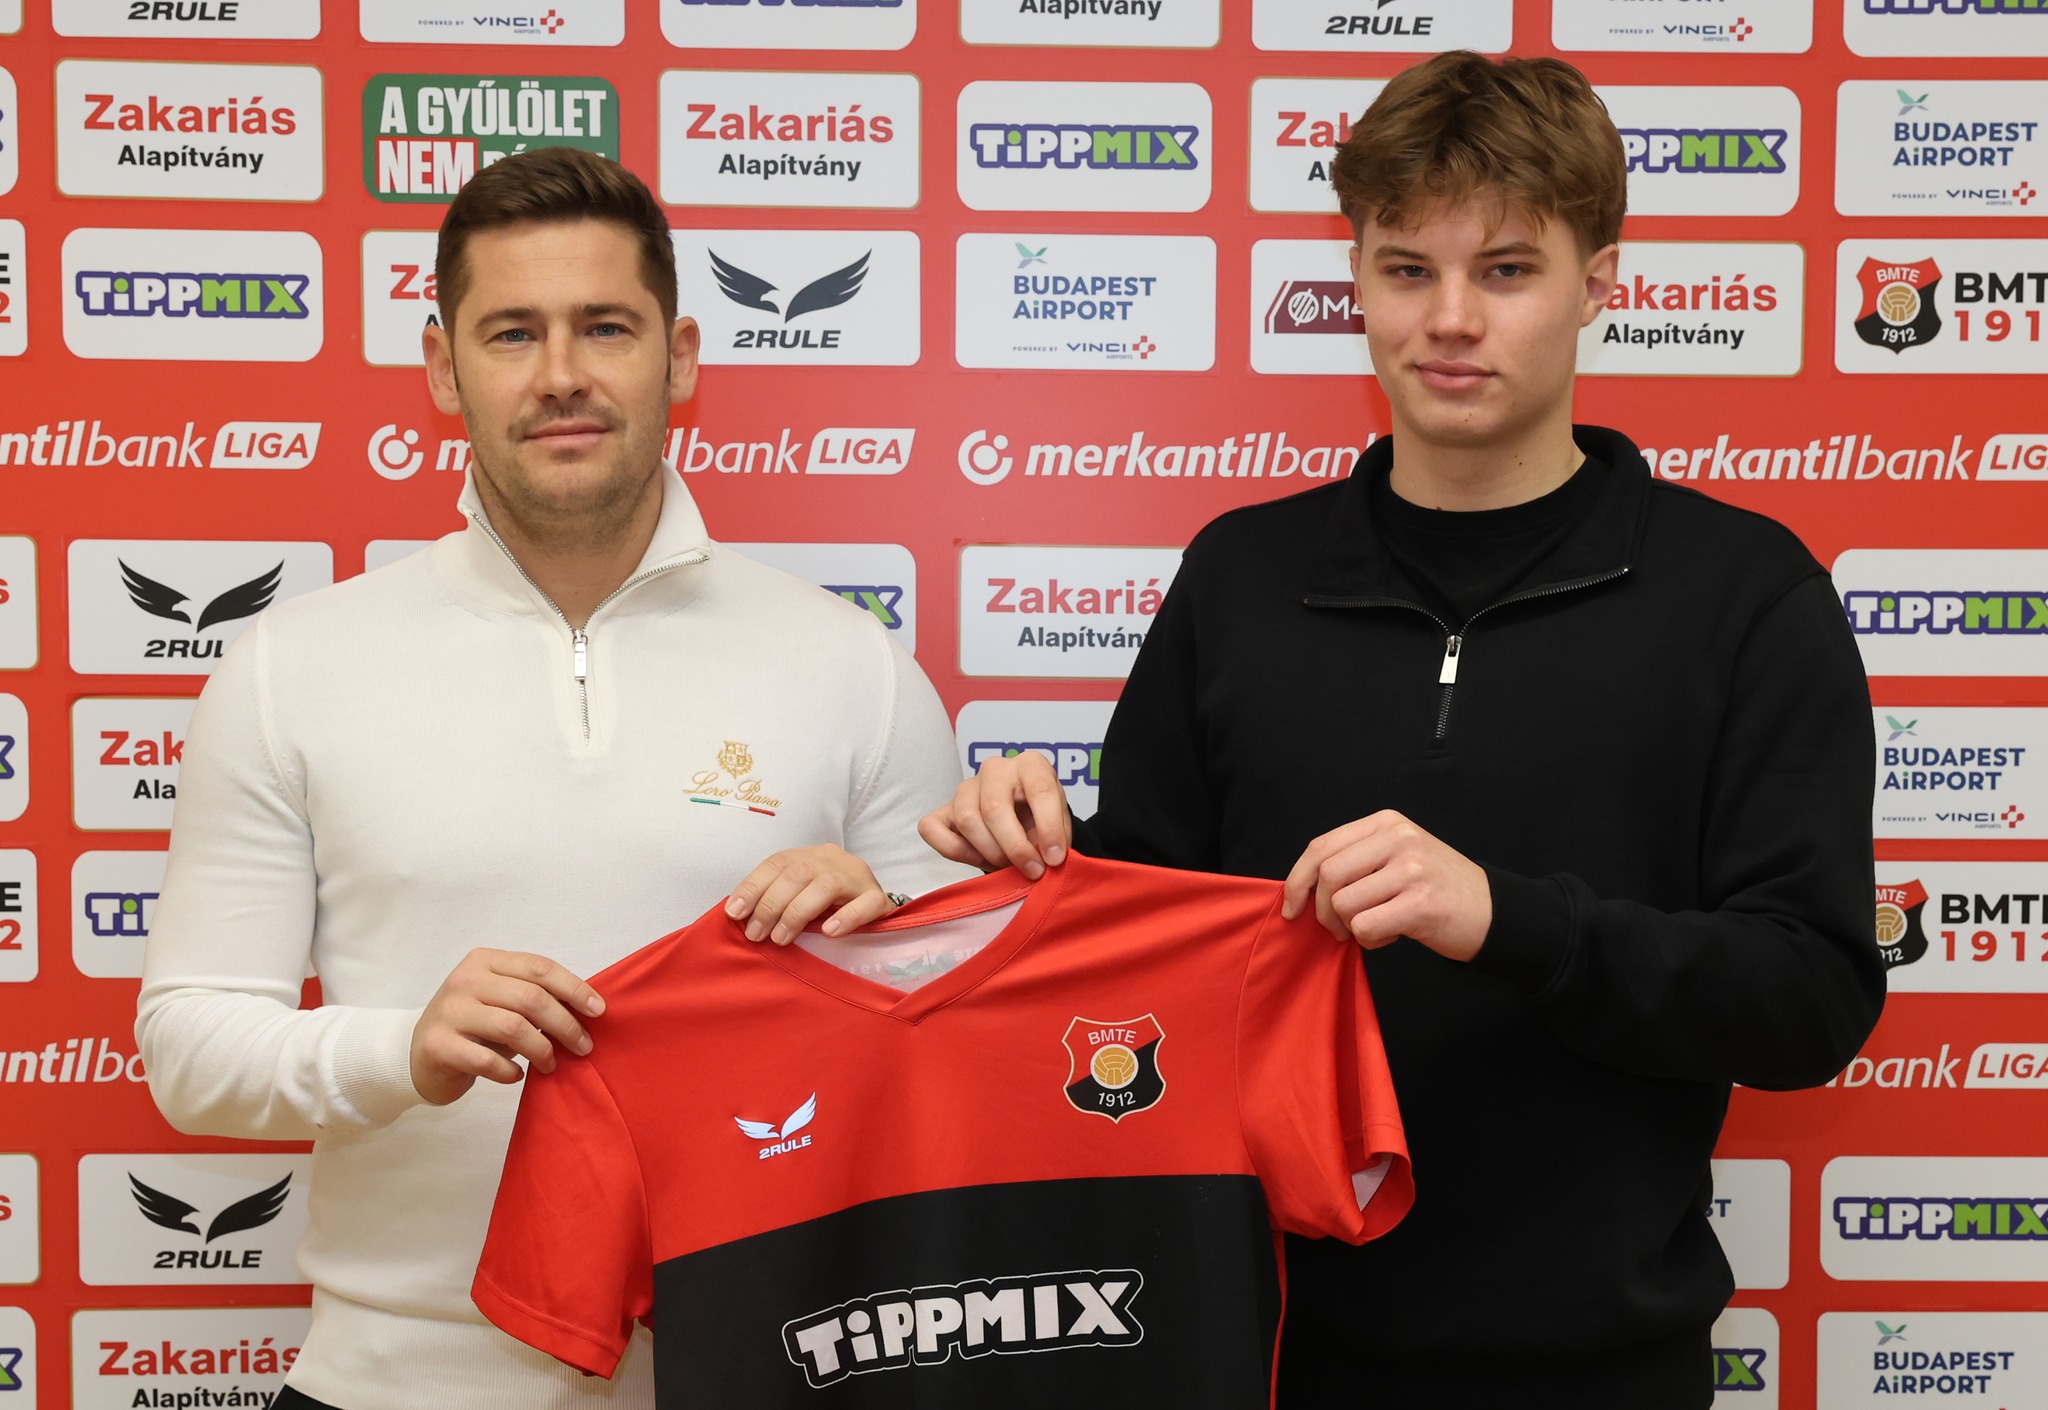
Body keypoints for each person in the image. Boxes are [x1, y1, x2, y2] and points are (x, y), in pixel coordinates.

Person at [733, 52, 1883, 1408]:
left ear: (1601, 282)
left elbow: (1808, 999)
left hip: (1600, 1370)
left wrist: (1504, 917)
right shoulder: (1242, 577)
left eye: (1506, 270)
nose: (1449, 318)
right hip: (1251, 1352)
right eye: (1406, 269)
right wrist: (994, 883)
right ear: (1356, 279)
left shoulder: (1743, 595)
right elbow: (1144, 946)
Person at [136, 147, 971, 1410]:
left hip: (770, 1369)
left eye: (605, 328)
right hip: (391, 1382)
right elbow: (190, 1051)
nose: (562, 374)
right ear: (443, 368)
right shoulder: (287, 667)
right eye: (513, 332)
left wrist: (876, 943)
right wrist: (404, 1048)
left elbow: (961, 1053)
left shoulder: (851, 665)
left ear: (679, 359)